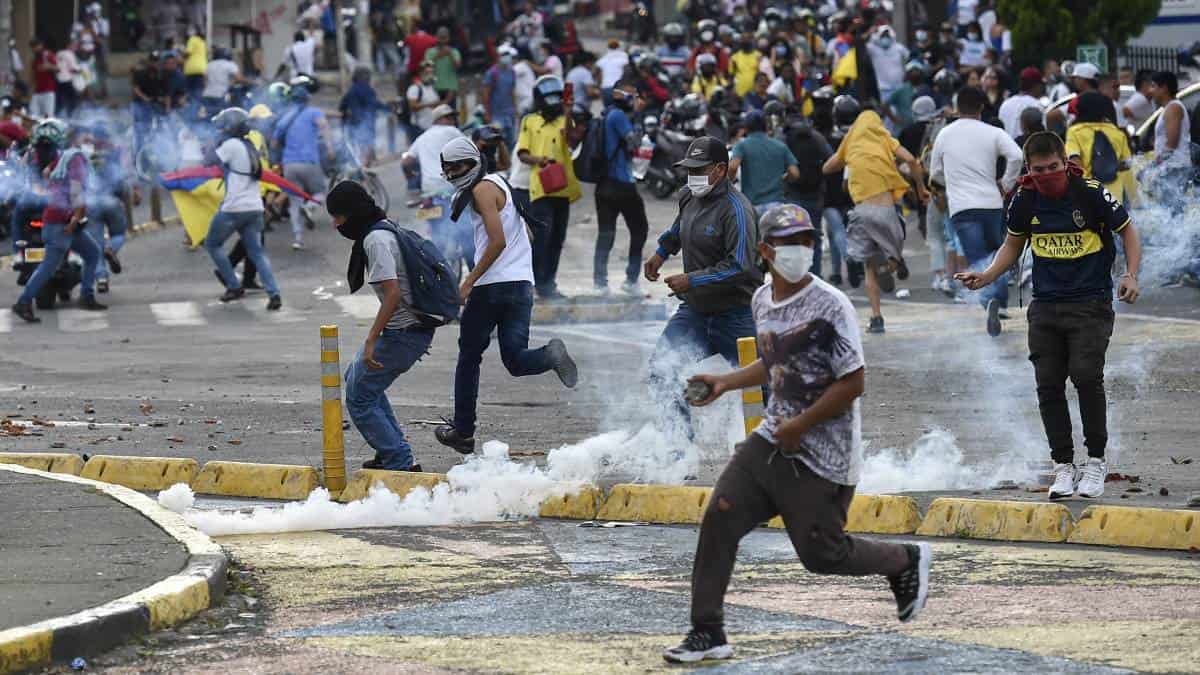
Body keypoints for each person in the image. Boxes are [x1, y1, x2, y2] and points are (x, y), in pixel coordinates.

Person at [662, 203, 931, 664]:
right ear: (766, 251)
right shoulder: (763, 299)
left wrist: (802, 425)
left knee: (822, 555)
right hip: (772, 439)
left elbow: (854, 381)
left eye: (806, 241)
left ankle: (903, 560)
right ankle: (707, 632)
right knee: (720, 516)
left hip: (822, 454)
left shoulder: (831, 305)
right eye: (789, 243)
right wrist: (726, 382)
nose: (800, 250)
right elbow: (774, 361)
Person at [957, 131, 1141, 501]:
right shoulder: (1025, 198)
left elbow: (1128, 231)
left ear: (1065, 162)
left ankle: (1095, 462)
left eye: (1054, 167)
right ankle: (1063, 466)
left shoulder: (1088, 191)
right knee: (1048, 384)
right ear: (1028, 169)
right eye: (1039, 169)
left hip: (1090, 303)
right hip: (1045, 305)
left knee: (1087, 377)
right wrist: (988, 276)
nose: (1047, 175)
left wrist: (1131, 274)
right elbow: (1013, 245)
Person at [434, 137, 578, 454]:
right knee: (514, 359)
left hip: (492, 287)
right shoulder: (498, 180)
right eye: (449, 170)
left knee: (469, 357)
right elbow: (519, 232)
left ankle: (463, 431)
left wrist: (468, 282)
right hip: (520, 285)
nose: (454, 173)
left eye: (458, 167)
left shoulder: (482, 190)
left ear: (473, 162)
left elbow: (497, 241)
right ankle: (551, 355)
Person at [643, 136, 762, 440]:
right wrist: (660, 252)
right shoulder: (688, 196)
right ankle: (679, 453)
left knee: (763, 388)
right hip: (695, 312)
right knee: (662, 372)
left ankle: (779, 458)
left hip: (736, 316)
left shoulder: (737, 210)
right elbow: (678, 228)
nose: (692, 177)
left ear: (720, 170)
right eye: (689, 170)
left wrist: (691, 279)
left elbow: (740, 266)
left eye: (699, 169)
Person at [327, 180, 433, 472]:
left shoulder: (375, 240)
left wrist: (373, 338)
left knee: (359, 397)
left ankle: (397, 459)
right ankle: (393, 452)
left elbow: (393, 292)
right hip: (406, 329)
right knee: (357, 378)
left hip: (407, 332)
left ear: (353, 212)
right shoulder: (380, 228)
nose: (335, 224)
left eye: (338, 216)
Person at [822, 97, 928, 334]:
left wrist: (838, 161)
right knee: (892, 245)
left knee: (869, 265)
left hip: (862, 212)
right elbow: (911, 159)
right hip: (887, 211)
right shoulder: (883, 137)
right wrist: (920, 189)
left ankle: (876, 317)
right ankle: (892, 263)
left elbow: (829, 166)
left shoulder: (851, 140)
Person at [930, 85, 1022, 336]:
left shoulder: (945, 134)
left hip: (962, 207)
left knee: (978, 257)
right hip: (992, 203)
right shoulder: (993, 132)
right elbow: (1016, 155)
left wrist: (952, 181)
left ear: (957, 107)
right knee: (996, 253)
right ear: (981, 107)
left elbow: (935, 172)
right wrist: (1005, 184)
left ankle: (989, 300)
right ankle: (998, 301)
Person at [11, 120, 105, 323]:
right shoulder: (76, 160)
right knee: (47, 267)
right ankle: (24, 302)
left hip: (60, 219)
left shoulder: (63, 159)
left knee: (92, 252)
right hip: (60, 224)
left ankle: (86, 296)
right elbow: (77, 193)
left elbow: (47, 174)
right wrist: (75, 219)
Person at [203, 108, 282, 310]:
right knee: (257, 252)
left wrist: (215, 140)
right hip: (255, 206)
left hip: (234, 207)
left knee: (212, 243)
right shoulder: (250, 146)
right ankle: (274, 293)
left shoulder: (231, 145)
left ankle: (233, 285)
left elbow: (210, 160)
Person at [515, 75, 579, 301]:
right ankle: (531, 283)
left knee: (558, 238)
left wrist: (569, 111)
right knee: (542, 236)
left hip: (563, 187)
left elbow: (570, 139)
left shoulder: (564, 119)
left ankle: (548, 284)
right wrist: (538, 160)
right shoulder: (529, 121)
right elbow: (522, 154)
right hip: (541, 187)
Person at [594, 81, 650, 296]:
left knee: (606, 234)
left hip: (605, 184)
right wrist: (637, 116)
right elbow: (635, 143)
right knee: (639, 229)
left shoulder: (607, 114)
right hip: (621, 184)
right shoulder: (618, 116)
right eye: (634, 95)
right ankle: (631, 280)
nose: (637, 100)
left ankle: (600, 283)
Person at [403, 104, 469, 266]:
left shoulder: (422, 137)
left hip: (429, 193)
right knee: (467, 231)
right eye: (452, 117)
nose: (454, 121)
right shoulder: (451, 131)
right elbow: (471, 152)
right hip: (449, 188)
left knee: (435, 231)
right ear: (443, 119)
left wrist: (413, 178)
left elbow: (406, 162)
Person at [272, 83, 331, 250]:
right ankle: (310, 206)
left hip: (289, 164)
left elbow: (275, 142)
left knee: (294, 202)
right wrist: (329, 146)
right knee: (321, 193)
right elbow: (324, 126)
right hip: (309, 162)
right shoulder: (313, 112)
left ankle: (298, 239)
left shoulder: (286, 117)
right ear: (307, 99)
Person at [83, 124, 130, 294]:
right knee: (118, 234)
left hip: (91, 203)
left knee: (96, 243)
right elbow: (121, 179)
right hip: (111, 201)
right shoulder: (115, 153)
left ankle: (101, 277)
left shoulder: (84, 154)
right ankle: (111, 248)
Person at [1066, 92, 1134, 205]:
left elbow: (1074, 163)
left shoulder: (1075, 131)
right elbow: (1127, 166)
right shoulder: (1117, 132)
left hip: (1089, 195)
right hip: (1115, 197)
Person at [729, 110, 800, 213]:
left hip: (752, 204)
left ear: (746, 128)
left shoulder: (742, 145)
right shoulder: (780, 146)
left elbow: (733, 167)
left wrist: (729, 183)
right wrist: (784, 179)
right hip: (776, 204)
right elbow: (795, 173)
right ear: (766, 126)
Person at [339, 66, 391, 167]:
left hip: (353, 122)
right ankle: (367, 164)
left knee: (356, 144)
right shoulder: (368, 90)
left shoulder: (351, 90)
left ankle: (358, 164)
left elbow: (342, 107)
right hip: (366, 121)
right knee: (368, 142)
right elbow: (373, 104)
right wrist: (387, 108)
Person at [482, 46, 519, 148]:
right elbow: (486, 94)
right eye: (503, 55)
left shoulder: (512, 72)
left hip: (510, 113)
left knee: (511, 143)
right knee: (498, 143)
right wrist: (487, 113)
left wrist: (516, 109)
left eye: (507, 55)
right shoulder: (492, 73)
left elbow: (512, 91)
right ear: (498, 56)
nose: (506, 57)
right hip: (496, 114)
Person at [867, 26, 909, 106]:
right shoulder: (873, 49)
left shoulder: (898, 48)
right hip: (883, 88)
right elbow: (865, 44)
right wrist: (871, 33)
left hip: (899, 86)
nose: (885, 38)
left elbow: (908, 58)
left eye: (887, 36)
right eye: (883, 36)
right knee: (886, 111)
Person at [998, 66, 1043, 139]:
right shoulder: (1037, 105)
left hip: (1006, 148)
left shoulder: (1005, 103)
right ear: (1037, 85)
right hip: (1028, 148)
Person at [423, 27, 461, 105]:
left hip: (450, 88)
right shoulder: (430, 52)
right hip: (435, 88)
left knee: (451, 113)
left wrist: (450, 55)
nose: (442, 41)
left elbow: (457, 67)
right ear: (436, 37)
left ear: (448, 38)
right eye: (440, 38)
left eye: (444, 38)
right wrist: (437, 56)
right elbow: (426, 68)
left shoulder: (454, 52)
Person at [406, 61, 442, 134]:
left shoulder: (432, 88)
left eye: (431, 72)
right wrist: (429, 104)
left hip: (432, 128)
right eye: (426, 73)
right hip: (419, 129)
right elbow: (412, 106)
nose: (429, 75)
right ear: (420, 73)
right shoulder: (415, 88)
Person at [595, 39, 629, 106]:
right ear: (618, 47)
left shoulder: (603, 59)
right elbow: (627, 72)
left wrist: (598, 88)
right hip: (619, 88)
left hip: (606, 88)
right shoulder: (624, 57)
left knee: (608, 110)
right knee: (621, 109)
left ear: (608, 47)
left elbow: (598, 75)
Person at [55, 40, 82, 118]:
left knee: (60, 99)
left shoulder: (58, 53)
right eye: (74, 46)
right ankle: (70, 116)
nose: (75, 48)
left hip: (58, 79)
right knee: (73, 100)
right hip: (67, 79)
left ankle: (59, 115)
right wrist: (80, 70)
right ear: (68, 45)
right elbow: (73, 68)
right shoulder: (70, 54)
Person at [730, 32, 761, 97]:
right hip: (739, 93)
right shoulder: (734, 57)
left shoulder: (758, 56)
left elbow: (762, 74)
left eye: (748, 38)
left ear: (752, 40)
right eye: (743, 39)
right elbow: (731, 76)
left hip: (756, 93)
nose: (745, 41)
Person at [183, 26, 207, 100]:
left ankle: (191, 109)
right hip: (202, 69)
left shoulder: (192, 39)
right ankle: (197, 108)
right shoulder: (202, 42)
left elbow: (187, 53)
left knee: (190, 92)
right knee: (198, 91)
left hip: (191, 69)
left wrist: (180, 59)